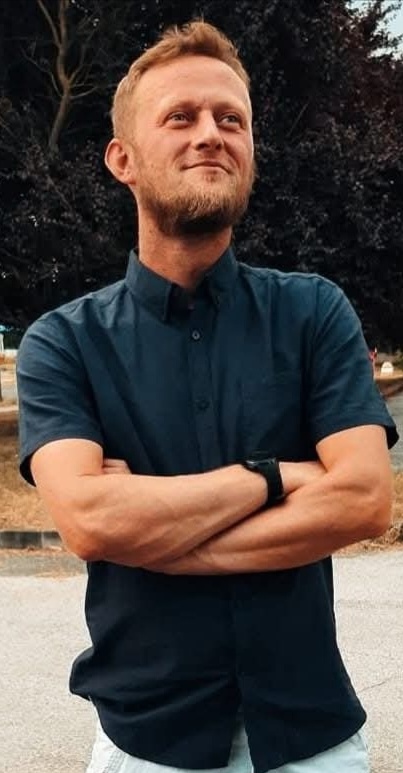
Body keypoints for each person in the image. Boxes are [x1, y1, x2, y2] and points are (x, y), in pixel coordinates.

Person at [17, 20, 398, 773]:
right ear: (122, 159)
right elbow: (90, 520)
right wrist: (274, 476)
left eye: (231, 119)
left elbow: (363, 500)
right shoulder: (63, 342)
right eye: (180, 117)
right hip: (146, 745)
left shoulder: (313, 312)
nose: (210, 135)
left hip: (311, 740)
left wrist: (166, 544)